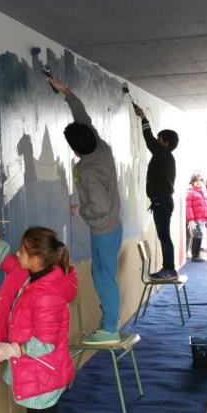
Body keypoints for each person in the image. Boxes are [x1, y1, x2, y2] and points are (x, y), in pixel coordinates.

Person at [0, 217, 76, 413]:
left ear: (36, 258)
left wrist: (11, 350)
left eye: (22, 251)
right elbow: (10, 262)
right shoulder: (34, 275)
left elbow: (45, 343)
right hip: (41, 370)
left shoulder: (46, 294)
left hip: (43, 371)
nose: (18, 253)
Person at [46, 76, 122, 345]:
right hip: (111, 226)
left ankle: (110, 329)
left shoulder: (90, 170)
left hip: (104, 228)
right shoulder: (99, 146)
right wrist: (65, 90)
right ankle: (109, 321)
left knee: (104, 277)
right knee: (101, 274)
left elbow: (99, 208)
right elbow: (82, 115)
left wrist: (81, 210)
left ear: (75, 149)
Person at [132, 104, 179, 279]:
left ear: (165, 143)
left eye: (160, 139)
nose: (156, 142)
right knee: (164, 236)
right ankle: (169, 268)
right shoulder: (166, 157)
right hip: (162, 201)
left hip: (162, 201)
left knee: (164, 236)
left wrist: (143, 117)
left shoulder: (162, 154)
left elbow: (148, 138)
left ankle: (169, 268)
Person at [186, 173, 207, 262]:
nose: (198, 182)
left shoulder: (204, 192)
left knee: (200, 235)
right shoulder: (190, 192)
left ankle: (196, 255)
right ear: (192, 182)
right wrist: (191, 219)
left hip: (201, 219)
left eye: (200, 180)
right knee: (198, 234)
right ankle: (195, 255)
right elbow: (188, 207)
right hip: (195, 219)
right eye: (196, 180)